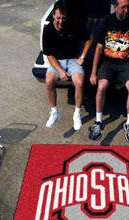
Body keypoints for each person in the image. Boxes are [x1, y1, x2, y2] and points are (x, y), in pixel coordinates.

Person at [89, 0, 129, 143]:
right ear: (116, 7)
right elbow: (99, 48)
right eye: (124, 7)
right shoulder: (106, 21)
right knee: (101, 87)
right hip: (108, 63)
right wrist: (93, 73)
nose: (127, 10)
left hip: (126, 64)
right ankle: (98, 122)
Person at [42, 0, 93, 130]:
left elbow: (89, 39)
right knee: (49, 81)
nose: (61, 21)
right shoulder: (47, 29)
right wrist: (60, 71)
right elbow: (49, 55)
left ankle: (77, 114)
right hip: (56, 61)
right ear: (53, 15)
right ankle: (54, 112)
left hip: (72, 60)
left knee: (80, 82)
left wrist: (82, 57)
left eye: (64, 18)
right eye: (58, 18)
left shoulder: (74, 25)